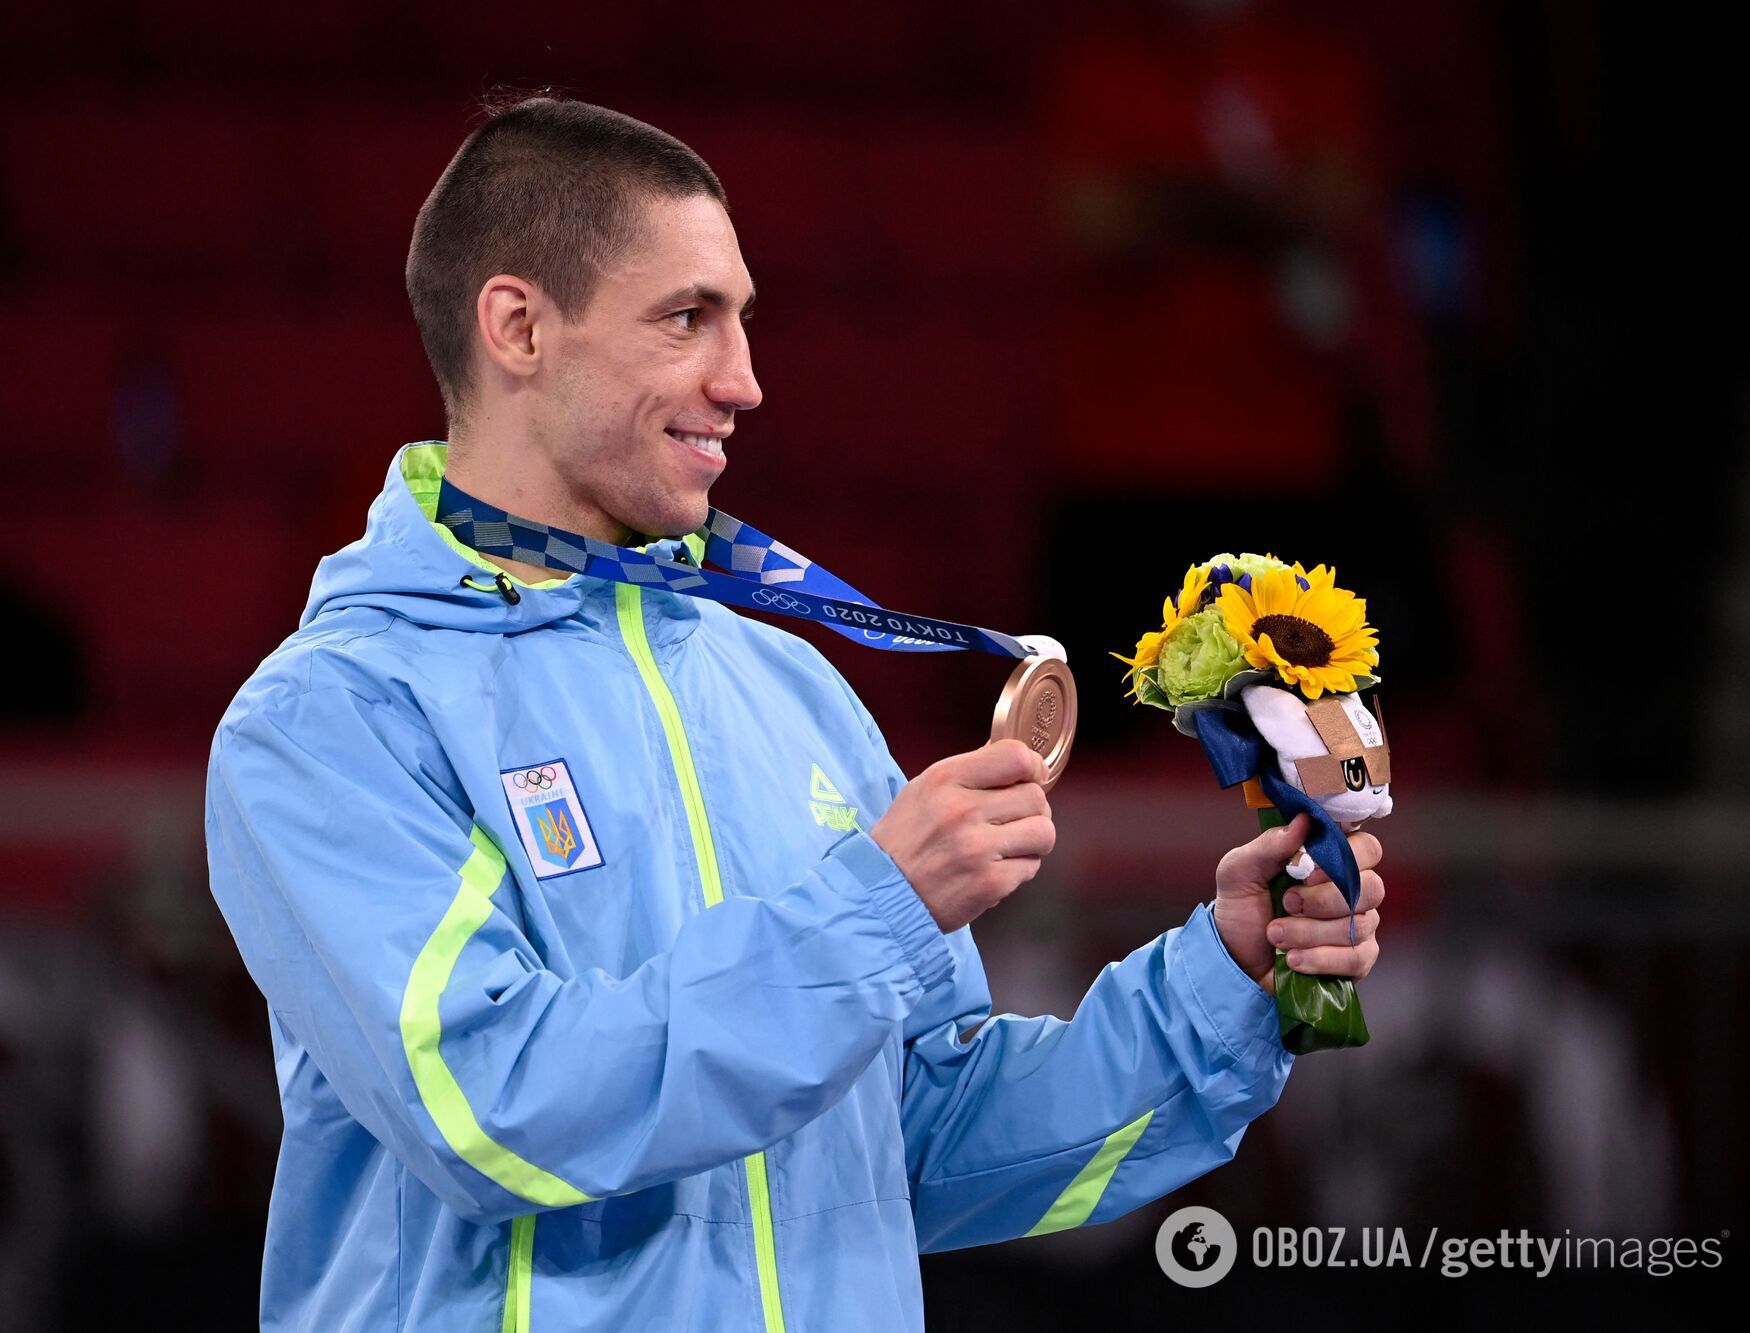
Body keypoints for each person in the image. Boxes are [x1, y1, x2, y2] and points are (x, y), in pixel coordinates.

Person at [203, 94, 1384, 1332]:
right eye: (686, 319)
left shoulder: (791, 689)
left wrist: (1217, 984)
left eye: (743, 321)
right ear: (518, 327)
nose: (743, 381)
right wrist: (877, 910)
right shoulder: (333, 718)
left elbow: (914, 1142)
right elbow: (495, 1113)